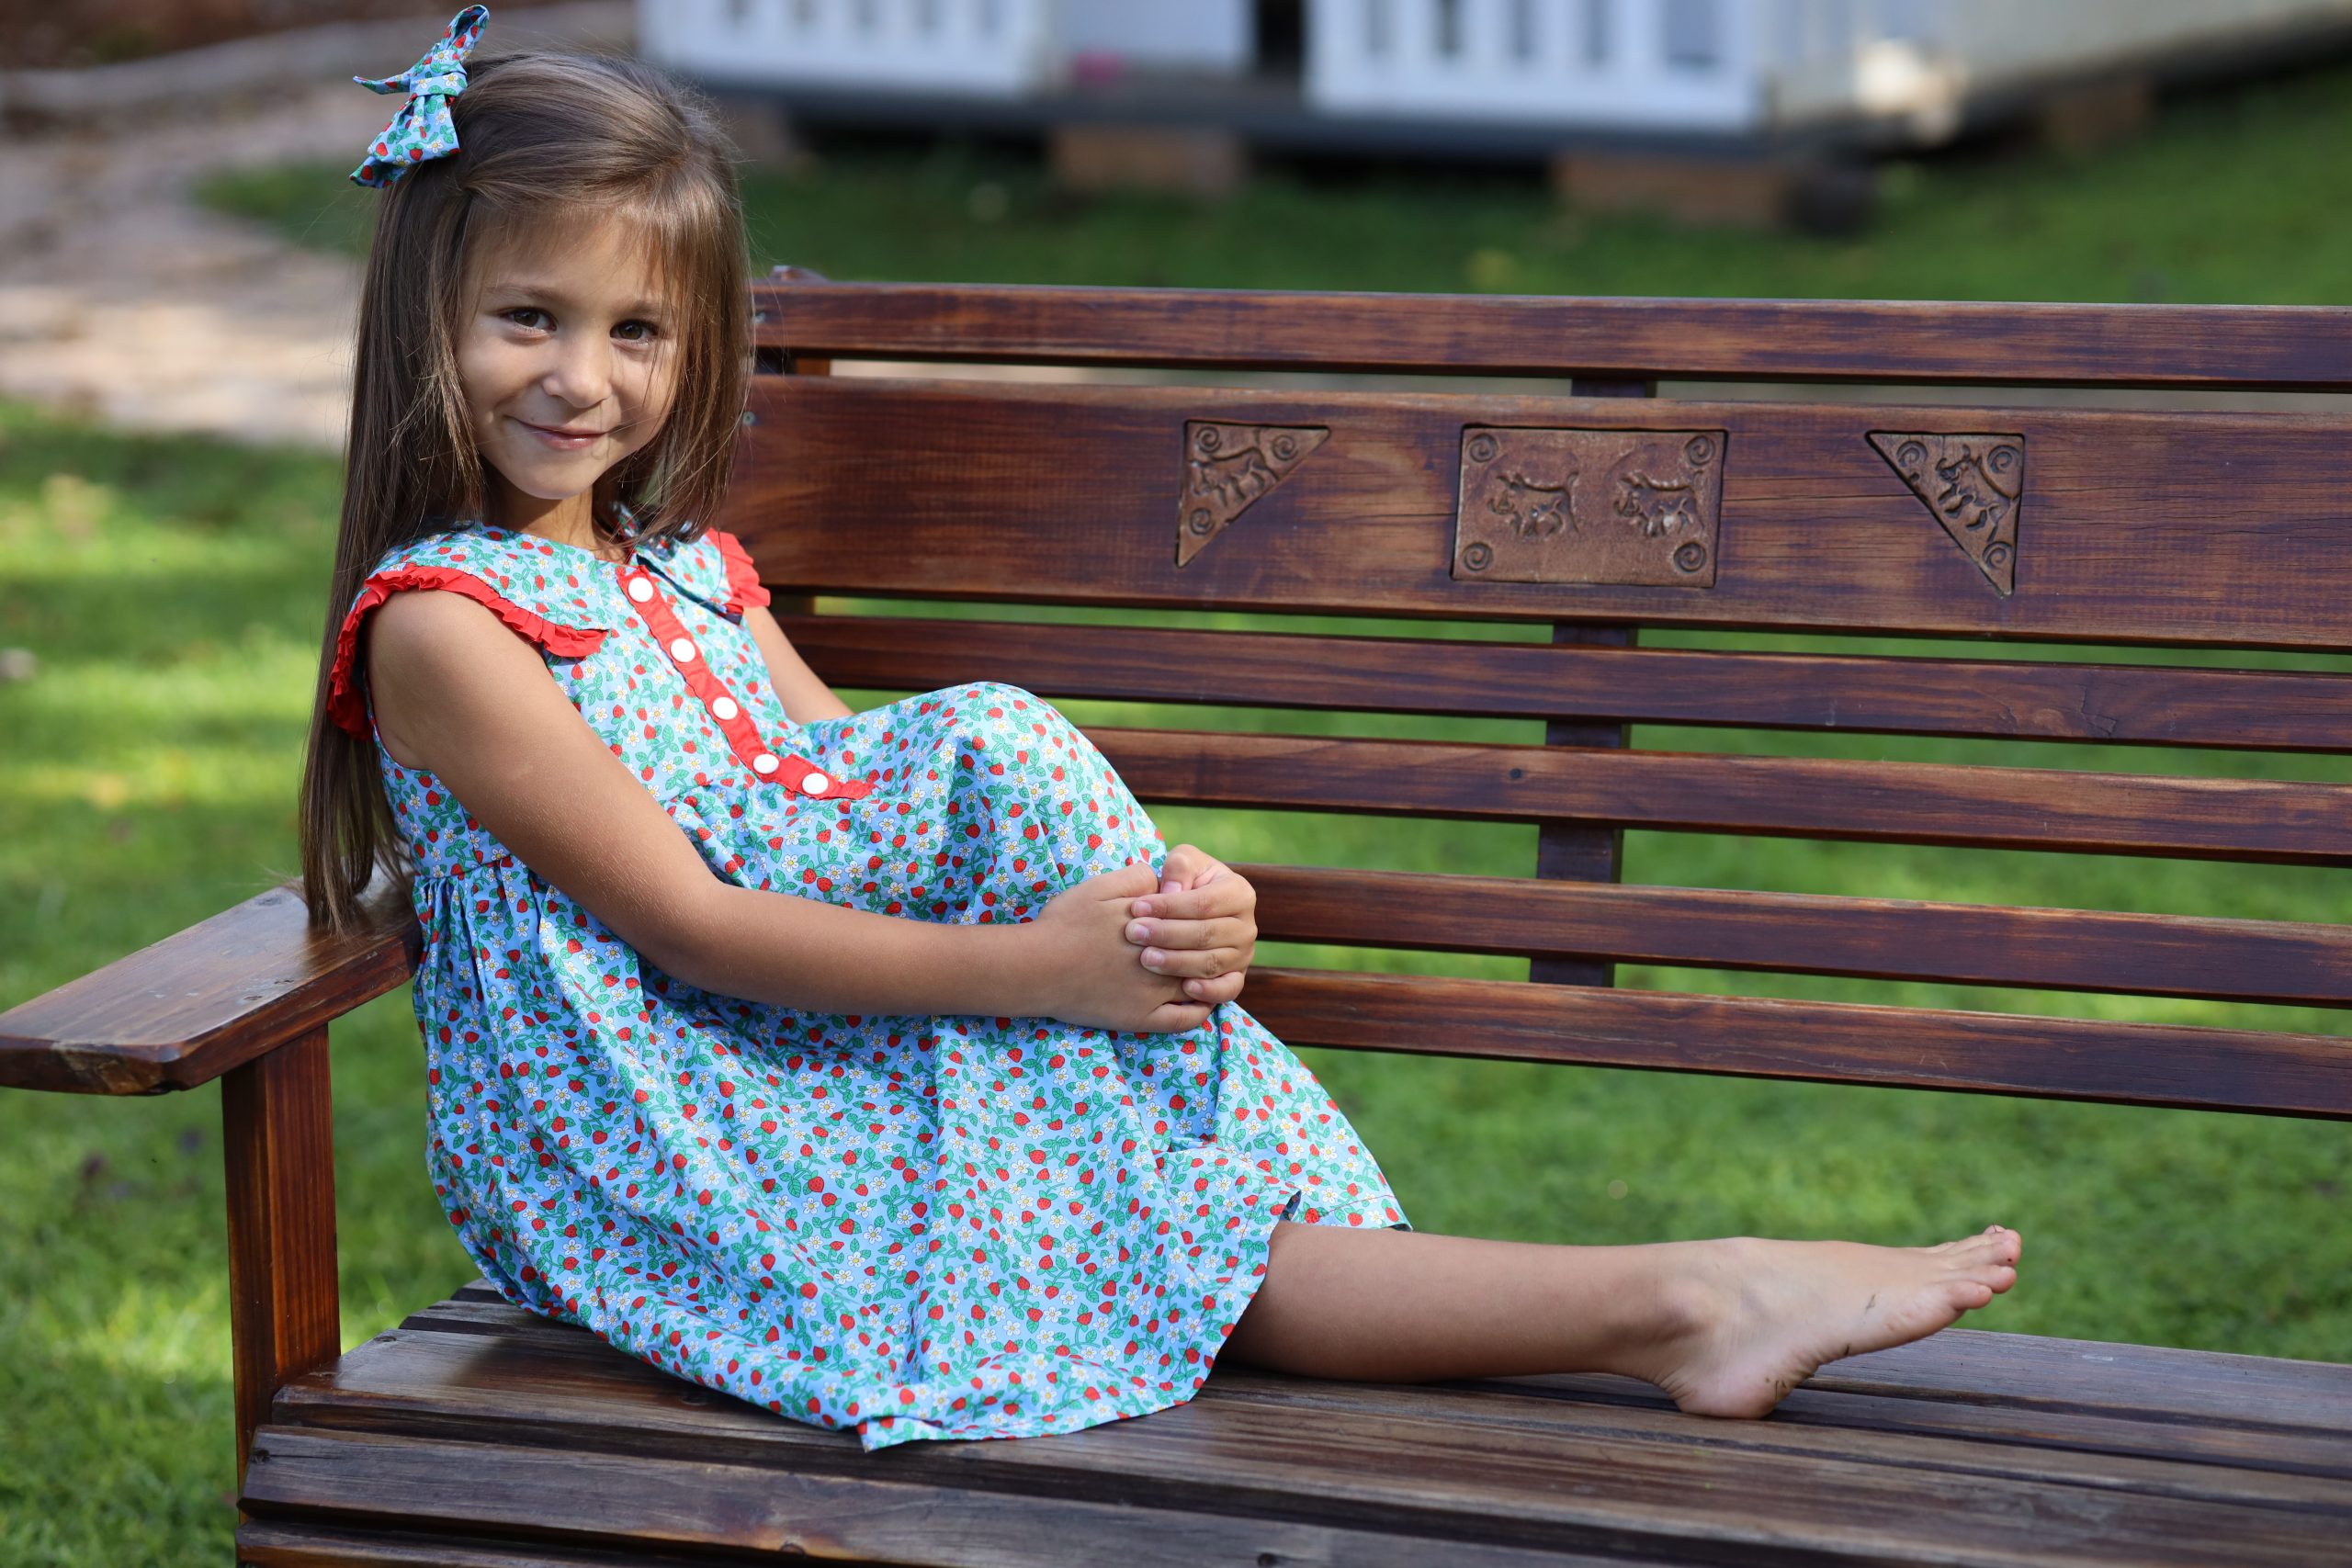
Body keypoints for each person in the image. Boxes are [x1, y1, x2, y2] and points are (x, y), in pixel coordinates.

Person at [299, 8, 2022, 1453]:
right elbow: (695, 926)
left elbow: (854, 806)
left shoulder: (687, 568)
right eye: (530, 318)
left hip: (814, 1047)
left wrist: (1151, 923)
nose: (582, 378)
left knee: (1016, 826)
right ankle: (1680, 1300)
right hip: (672, 1122)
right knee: (1121, 1133)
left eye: (636, 331)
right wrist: (1049, 971)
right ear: (429, 315)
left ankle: (1684, 1298)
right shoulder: (447, 629)